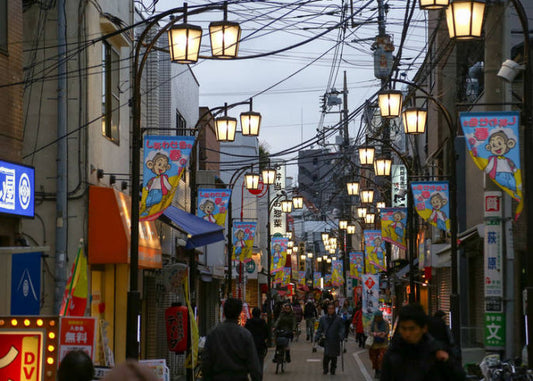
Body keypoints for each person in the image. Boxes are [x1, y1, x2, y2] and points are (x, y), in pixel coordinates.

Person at [380, 304, 466, 381]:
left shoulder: (437, 352)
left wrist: (448, 361)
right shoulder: (393, 355)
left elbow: (459, 377)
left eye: (412, 329)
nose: (407, 334)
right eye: (403, 328)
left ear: (424, 328)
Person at [202, 298, 261, 381]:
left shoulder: (213, 334)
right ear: (239, 313)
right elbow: (254, 365)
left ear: (224, 312)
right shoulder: (245, 335)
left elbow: (206, 362)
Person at [315, 302, 345, 375]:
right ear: (327, 309)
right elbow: (320, 329)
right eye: (329, 308)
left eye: (332, 309)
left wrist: (341, 335)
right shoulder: (323, 319)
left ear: (334, 309)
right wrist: (317, 336)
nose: (330, 310)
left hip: (335, 339)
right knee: (327, 355)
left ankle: (333, 368)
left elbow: (342, 328)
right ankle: (325, 369)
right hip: (327, 339)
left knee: (334, 356)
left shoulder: (338, 319)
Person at [245, 307, 269, 374]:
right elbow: (266, 334)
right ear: (259, 314)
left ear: (252, 314)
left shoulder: (248, 322)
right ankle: (259, 376)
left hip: (251, 345)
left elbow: (245, 333)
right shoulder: (263, 322)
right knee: (260, 362)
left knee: (251, 361)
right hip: (261, 345)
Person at [369, 310, 390, 379]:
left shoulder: (385, 323)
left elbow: (387, 331)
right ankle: (376, 371)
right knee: (374, 359)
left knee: (381, 358)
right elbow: (369, 332)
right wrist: (375, 334)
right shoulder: (372, 323)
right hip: (374, 344)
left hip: (383, 344)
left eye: (378, 317)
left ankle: (381, 371)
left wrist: (384, 334)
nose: (377, 318)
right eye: (376, 317)